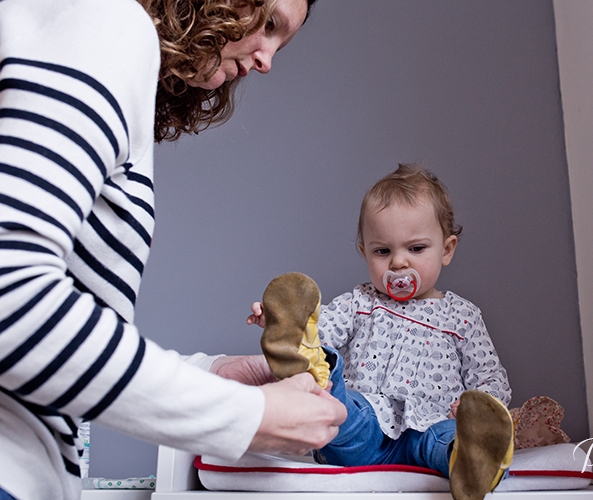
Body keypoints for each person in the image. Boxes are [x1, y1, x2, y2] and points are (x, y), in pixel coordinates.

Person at [0, 0, 346, 499]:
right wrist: (247, 418)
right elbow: (12, 299)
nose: (267, 59)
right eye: (269, 24)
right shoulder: (107, 21)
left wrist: (214, 376)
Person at [249, 164, 514, 500]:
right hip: (368, 425)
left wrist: (477, 404)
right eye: (382, 251)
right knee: (342, 412)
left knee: (445, 439)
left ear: (446, 250)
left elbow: (492, 379)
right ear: (365, 252)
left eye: (416, 249)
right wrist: (282, 321)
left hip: (430, 423)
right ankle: (307, 361)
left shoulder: (462, 316)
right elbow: (326, 326)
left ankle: (472, 460)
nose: (398, 263)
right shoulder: (360, 303)